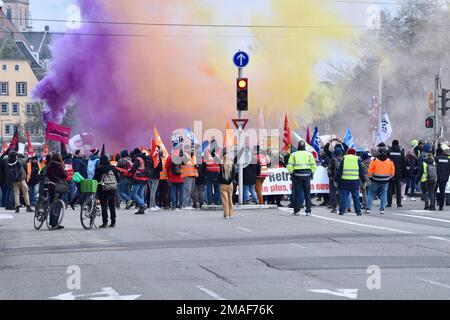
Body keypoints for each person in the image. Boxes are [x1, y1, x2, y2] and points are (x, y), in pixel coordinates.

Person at [287, 140, 317, 216]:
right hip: (307, 176)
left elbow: (290, 166)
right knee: (307, 194)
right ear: (304, 147)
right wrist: (311, 173)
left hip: (297, 176)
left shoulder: (293, 154)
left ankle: (296, 211)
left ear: (298, 146)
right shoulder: (309, 154)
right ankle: (308, 211)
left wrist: (292, 173)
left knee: (297, 193)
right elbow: (313, 165)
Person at [365, 147, 395, 215]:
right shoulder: (389, 161)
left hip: (375, 179)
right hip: (385, 180)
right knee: (384, 194)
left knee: (371, 194)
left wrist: (371, 177)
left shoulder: (375, 160)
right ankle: (382, 209)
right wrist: (389, 177)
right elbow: (392, 172)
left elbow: (370, 170)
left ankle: (368, 208)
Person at [336, 149, 365, 216]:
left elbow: (339, 171)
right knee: (356, 197)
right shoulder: (357, 159)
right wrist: (363, 181)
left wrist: (336, 180)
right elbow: (361, 172)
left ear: (347, 152)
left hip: (345, 181)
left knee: (344, 197)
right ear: (354, 153)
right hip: (355, 181)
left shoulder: (344, 159)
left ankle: (341, 211)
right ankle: (358, 212)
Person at [94, 155, 120, 228]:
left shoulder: (99, 169)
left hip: (102, 189)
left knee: (104, 205)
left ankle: (105, 222)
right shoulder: (113, 168)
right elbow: (117, 179)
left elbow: (95, 180)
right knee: (112, 205)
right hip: (112, 188)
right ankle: (113, 221)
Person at [46, 153, 67, 229]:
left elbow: (47, 174)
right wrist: (66, 171)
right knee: (58, 205)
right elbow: (65, 175)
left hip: (51, 186)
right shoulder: (59, 166)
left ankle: (52, 222)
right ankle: (55, 223)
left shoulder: (50, 165)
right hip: (58, 187)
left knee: (52, 204)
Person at [129, 148, 149, 215]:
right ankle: (141, 209)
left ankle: (142, 205)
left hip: (138, 178)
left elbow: (134, 168)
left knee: (134, 194)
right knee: (140, 194)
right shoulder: (144, 158)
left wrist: (130, 171)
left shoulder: (138, 159)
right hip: (144, 178)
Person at [387, 140, 405, 208]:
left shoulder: (388, 152)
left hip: (390, 172)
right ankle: (399, 203)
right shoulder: (401, 153)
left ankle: (389, 203)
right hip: (399, 173)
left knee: (390, 189)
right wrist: (404, 175)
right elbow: (403, 164)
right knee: (398, 189)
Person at [219, 150, 236, 219]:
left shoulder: (222, 166)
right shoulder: (232, 166)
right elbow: (233, 176)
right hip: (230, 184)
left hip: (223, 184)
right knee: (230, 199)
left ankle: (226, 215)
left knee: (225, 200)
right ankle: (231, 213)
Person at [327, 147, 344, 213]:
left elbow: (329, 169)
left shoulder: (332, 160)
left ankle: (334, 208)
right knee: (340, 193)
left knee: (333, 193)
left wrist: (329, 175)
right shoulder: (343, 160)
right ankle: (341, 207)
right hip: (341, 178)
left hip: (333, 178)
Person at [181, 145, 198, 210]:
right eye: (191, 149)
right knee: (187, 190)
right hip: (187, 175)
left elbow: (194, 164)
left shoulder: (193, 157)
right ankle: (185, 205)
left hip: (193, 175)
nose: (192, 151)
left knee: (191, 191)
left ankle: (188, 204)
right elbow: (183, 162)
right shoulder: (184, 156)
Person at [148, 146, 163, 211]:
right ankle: (151, 206)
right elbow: (160, 168)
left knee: (152, 191)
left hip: (149, 176)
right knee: (153, 192)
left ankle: (154, 205)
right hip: (156, 177)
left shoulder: (149, 157)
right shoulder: (158, 158)